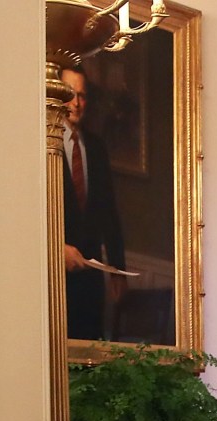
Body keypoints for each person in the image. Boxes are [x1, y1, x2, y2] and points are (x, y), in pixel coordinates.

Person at [61, 66, 126, 341]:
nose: (77, 103)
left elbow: (109, 212)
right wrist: (54, 249)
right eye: (70, 95)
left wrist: (117, 271)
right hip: (55, 277)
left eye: (83, 96)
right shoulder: (39, 141)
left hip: (91, 278)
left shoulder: (96, 148)